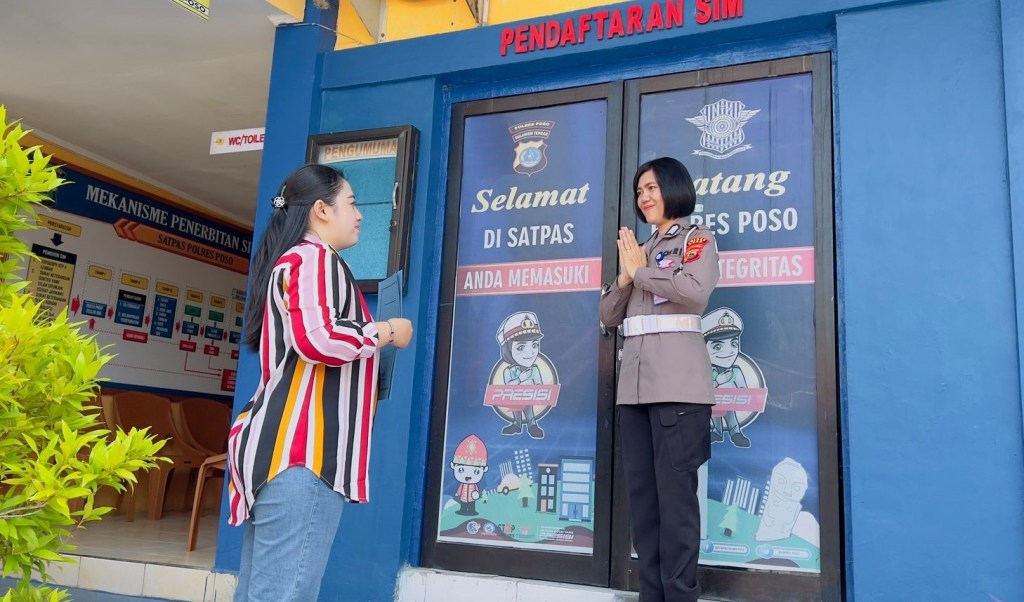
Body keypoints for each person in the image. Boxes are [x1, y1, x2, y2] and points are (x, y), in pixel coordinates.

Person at [226, 164, 413, 601]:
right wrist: (388, 331)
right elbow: (318, 339)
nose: (360, 214)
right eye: (351, 203)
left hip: (282, 452)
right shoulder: (314, 259)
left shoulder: (296, 261)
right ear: (321, 210)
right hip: (303, 455)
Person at [598, 157, 720, 602]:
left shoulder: (696, 239)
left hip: (678, 392)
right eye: (639, 191)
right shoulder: (640, 250)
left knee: (676, 507)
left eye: (651, 188)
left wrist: (640, 273)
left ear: (673, 188)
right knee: (645, 507)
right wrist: (626, 276)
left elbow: (693, 291)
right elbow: (608, 314)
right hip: (635, 394)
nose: (644, 197)